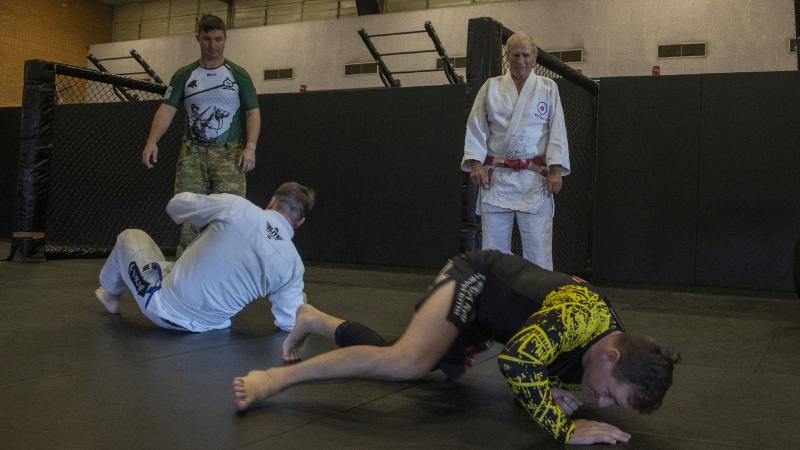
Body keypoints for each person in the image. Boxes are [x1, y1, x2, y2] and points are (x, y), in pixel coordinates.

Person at [233, 250, 679, 445]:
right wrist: (563, 428)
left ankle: (313, 319)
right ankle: (274, 380)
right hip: (475, 278)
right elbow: (519, 361)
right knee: (406, 362)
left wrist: (545, 390)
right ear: (612, 355)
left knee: (402, 356)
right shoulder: (583, 315)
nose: (597, 401)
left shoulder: (604, 346)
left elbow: (533, 366)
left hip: (490, 320)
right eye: (609, 394)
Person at [94, 182, 315, 333]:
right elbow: (290, 322)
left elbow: (176, 206)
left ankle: (110, 293)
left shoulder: (237, 207)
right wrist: (300, 304)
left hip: (164, 307)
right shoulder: (294, 265)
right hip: (212, 325)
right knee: (175, 265)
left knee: (130, 236)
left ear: (271, 201)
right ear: (301, 222)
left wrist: (203, 215)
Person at [141, 14, 261, 257]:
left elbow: (253, 113)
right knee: (190, 216)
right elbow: (167, 109)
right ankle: (185, 274)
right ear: (198, 38)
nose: (213, 45)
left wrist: (251, 146)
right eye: (207, 39)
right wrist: (151, 141)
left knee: (231, 214)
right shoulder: (184, 75)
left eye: (218, 39)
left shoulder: (238, 75)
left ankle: (226, 273)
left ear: (225, 39)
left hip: (229, 155)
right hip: (192, 154)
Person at [462, 32, 570, 270]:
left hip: (534, 178)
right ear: (507, 56)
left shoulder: (548, 88)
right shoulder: (491, 88)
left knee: (538, 249)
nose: (521, 61)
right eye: (515, 55)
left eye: (526, 55)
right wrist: (476, 163)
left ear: (535, 57)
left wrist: (555, 171)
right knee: (494, 249)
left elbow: (557, 131)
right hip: (497, 177)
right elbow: (476, 127)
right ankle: (498, 299)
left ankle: (539, 298)